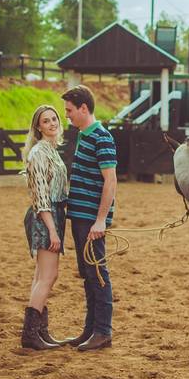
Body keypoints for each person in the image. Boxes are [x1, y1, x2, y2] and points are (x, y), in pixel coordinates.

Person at [61, 85, 117, 351]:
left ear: (84, 108)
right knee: (88, 274)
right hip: (81, 216)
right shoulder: (84, 135)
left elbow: (111, 180)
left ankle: (103, 331)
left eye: (70, 111)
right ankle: (90, 329)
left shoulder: (102, 137)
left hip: (91, 219)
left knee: (97, 273)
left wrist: (101, 220)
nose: (67, 116)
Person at [21, 104, 70, 350]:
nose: (51, 123)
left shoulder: (52, 150)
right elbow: (41, 197)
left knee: (41, 275)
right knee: (49, 276)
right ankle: (30, 334)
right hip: (45, 216)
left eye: (54, 119)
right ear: (38, 127)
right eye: (46, 121)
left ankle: (40, 331)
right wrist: (52, 229)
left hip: (53, 214)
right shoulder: (39, 152)